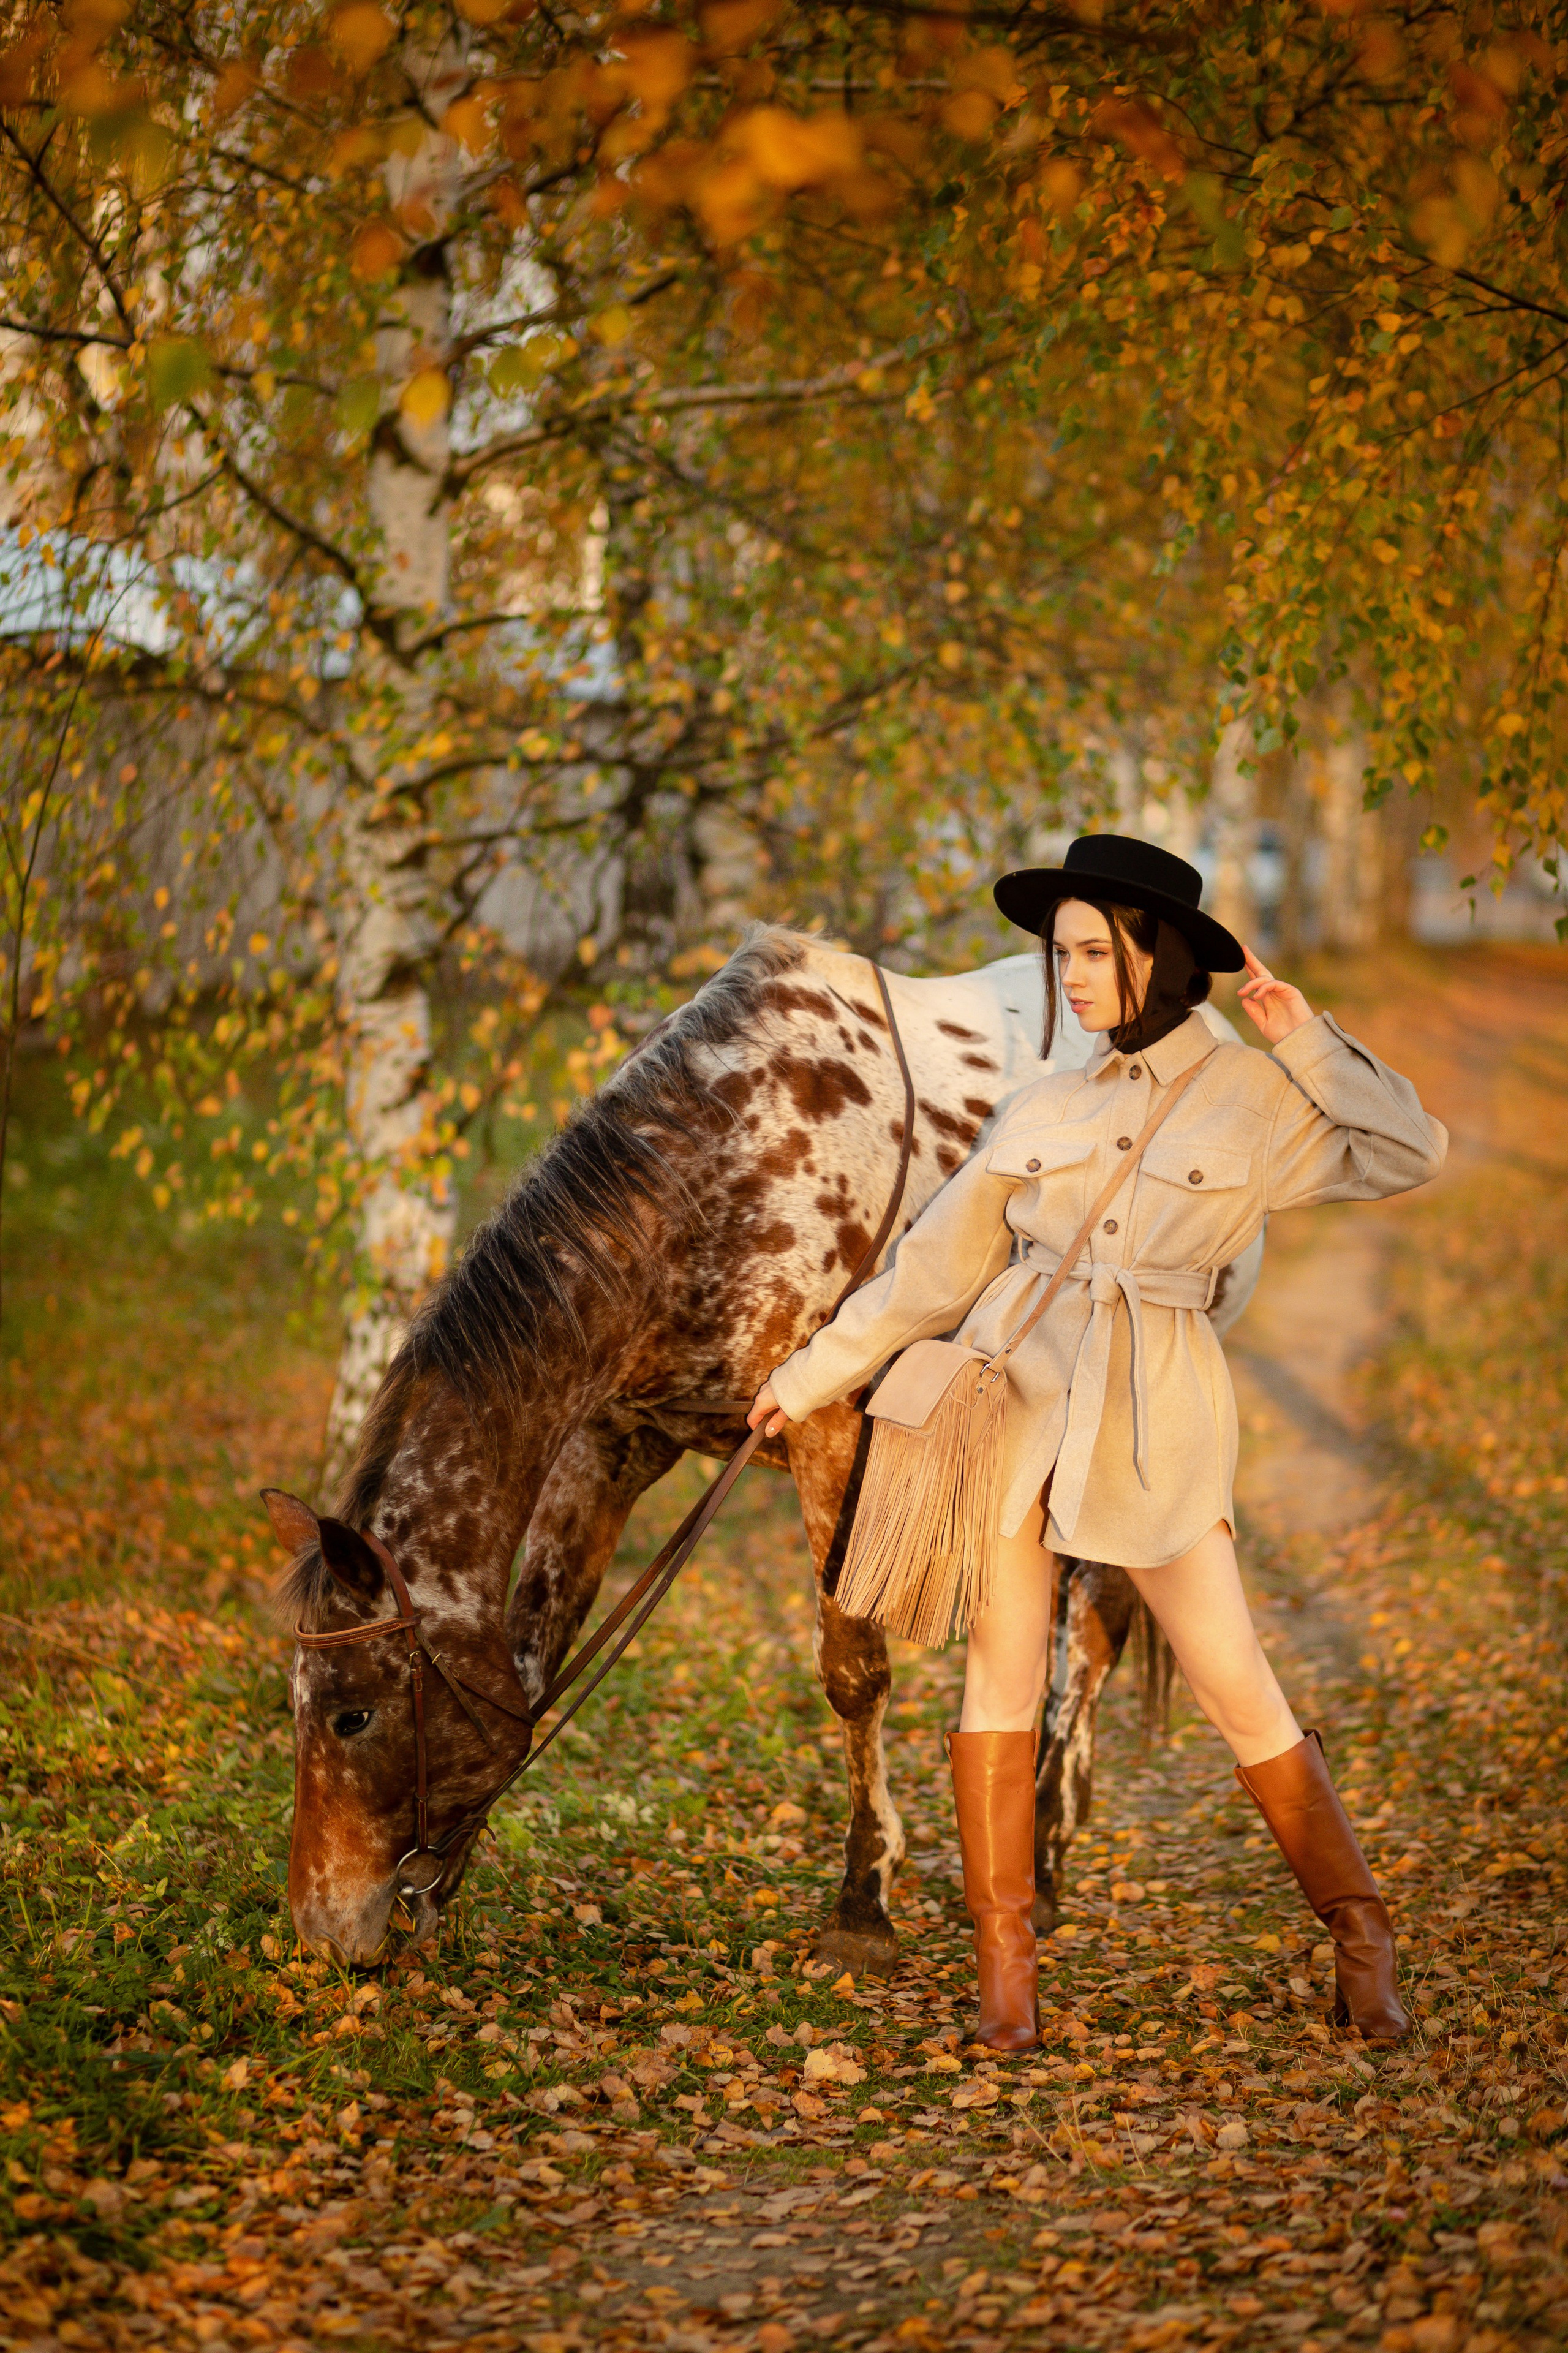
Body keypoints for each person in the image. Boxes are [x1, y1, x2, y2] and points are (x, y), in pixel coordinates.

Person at [749, 834, 1446, 2053]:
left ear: (1153, 952)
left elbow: (1408, 1149)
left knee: (1233, 1681)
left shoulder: (1252, 1097)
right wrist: (807, 1374)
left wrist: (1303, 1041)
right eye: (1057, 953)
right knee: (998, 1676)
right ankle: (1005, 1982)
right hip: (1010, 1406)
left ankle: (1360, 1937)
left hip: (1153, 1417)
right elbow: (932, 1271)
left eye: (1087, 952)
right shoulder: (1045, 1102)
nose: (1066, 977)